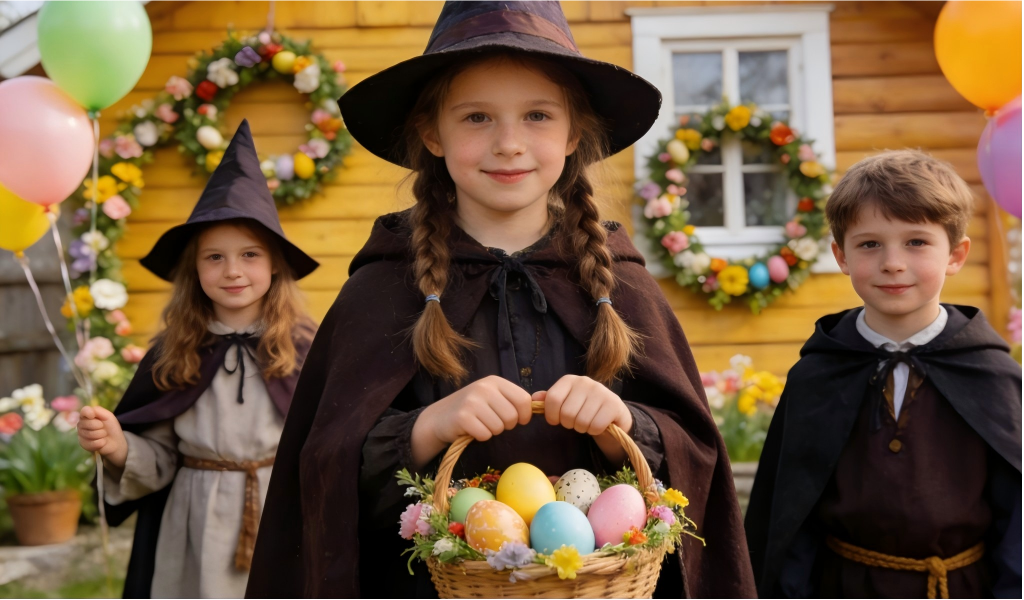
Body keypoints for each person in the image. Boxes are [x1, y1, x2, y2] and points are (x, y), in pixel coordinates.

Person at [245, 1, 756, 598]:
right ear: (432, 133)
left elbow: (694, 456)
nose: (509, 143)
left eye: (537, 115)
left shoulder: (620, 284)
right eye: (477, 118)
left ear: (574, 135)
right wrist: (426, 429)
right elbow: (325, 472)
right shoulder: (381, 290)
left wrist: (625, 424)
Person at [745, 150, 1022, 599]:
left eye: (916, 242)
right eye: (870, 244)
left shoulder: (993, 374)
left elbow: (1018, 520)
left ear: (956, 254)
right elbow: (790, 517)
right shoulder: (816, 376)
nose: (893, 263)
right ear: (841, 255)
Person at [76, 120, 318, 599]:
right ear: (195, 268)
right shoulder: (173, 352)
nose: (232, 271)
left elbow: (328, 443)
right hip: (195, 524)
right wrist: (118, 446)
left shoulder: (305, 347)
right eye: (214, 257)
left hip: (281, 518)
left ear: (274, 264)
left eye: (250, 254)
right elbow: (160, 455)